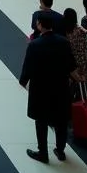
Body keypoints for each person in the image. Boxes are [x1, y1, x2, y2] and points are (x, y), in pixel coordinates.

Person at [19, 14, 74, 163]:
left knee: (41, 120)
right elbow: (71, 64)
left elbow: (27, 67)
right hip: (60, 87)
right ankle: (60, 150)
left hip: (41, 88)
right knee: (61, 120)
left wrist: (23, 82)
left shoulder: (35, 45)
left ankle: (43, 152)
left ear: (40, 25)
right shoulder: (64, 42)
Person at [61, 8, 87, 97]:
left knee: (72, 77)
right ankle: (84, 93)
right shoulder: (82, 31)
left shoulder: (64, 32)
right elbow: (86, 43)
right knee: (82, 76)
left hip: (71, 59)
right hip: (81, 58)